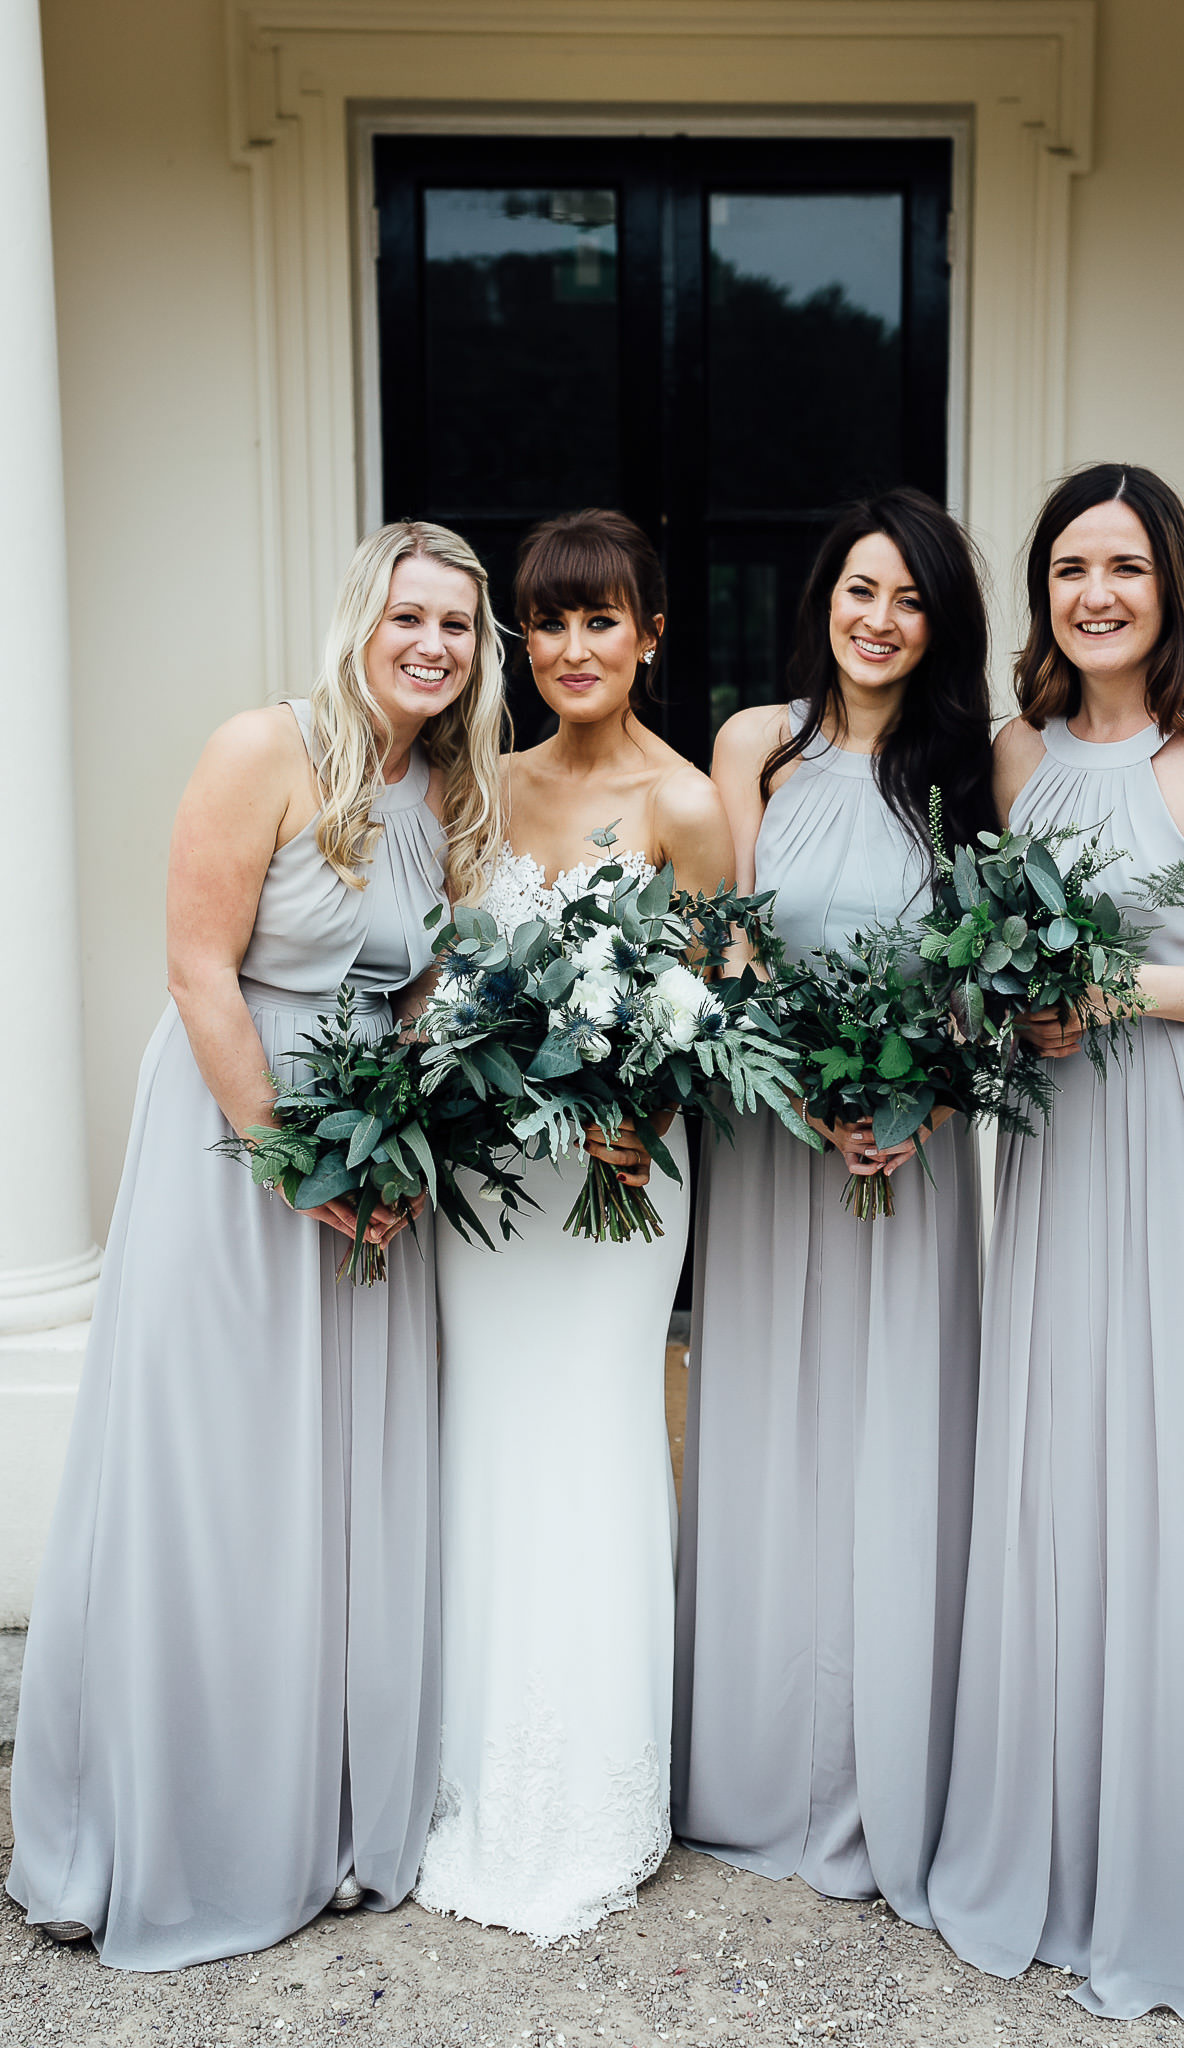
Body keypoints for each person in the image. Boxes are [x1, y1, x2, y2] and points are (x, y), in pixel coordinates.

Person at [6, 521, 506, 1970]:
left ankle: (326, 1808)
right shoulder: (263, 749)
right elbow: (196, 967)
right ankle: (187, 1820)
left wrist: (417, 1121)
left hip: (374, 1155)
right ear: (360, 619)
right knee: (220, 1463)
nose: (431, 645)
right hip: (240, 1146)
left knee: (339, 1469)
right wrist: (293, 1158)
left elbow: (413, 992)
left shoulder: (446, 786)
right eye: (409, 616)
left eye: (457, 628)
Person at [926, 464, 1184, 2025]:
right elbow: (972, 956)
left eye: (1123, 566)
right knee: (1066, 1473)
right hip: (1059, 1154)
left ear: (1171, 585)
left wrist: (1120, 994)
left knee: (1183, 1478)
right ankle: (1062, 1847)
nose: (1093, 593)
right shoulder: (1013, 754)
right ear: (1041, 596)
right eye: (1067, 569)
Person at [672, 488, 994, 1920]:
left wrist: (921, 1093)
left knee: (889, 1436)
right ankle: (746, 1767)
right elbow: (728, 933)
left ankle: (888, 1764)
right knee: (770, 1427)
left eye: (909, 599)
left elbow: (989, 966)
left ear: (941, 624)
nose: (879, 620)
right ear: (824, 601)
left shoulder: (972, 766)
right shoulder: (755, 741)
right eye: (860, 592)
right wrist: (795, 1085)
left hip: (905, 1152)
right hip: (769, 1134)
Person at [415, 508, 735, 1945]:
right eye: (548, 622)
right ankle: (468, 1764)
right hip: (492, 1188)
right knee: (488, 1439)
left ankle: (596, 1793)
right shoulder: (477, 785)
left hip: (613, 1181)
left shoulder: (684, 802)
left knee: (597, 1441)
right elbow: (432, 982)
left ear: (650, 634)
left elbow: (718, 1007)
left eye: (601, 619)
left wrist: (644, 1109)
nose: (572, 648)